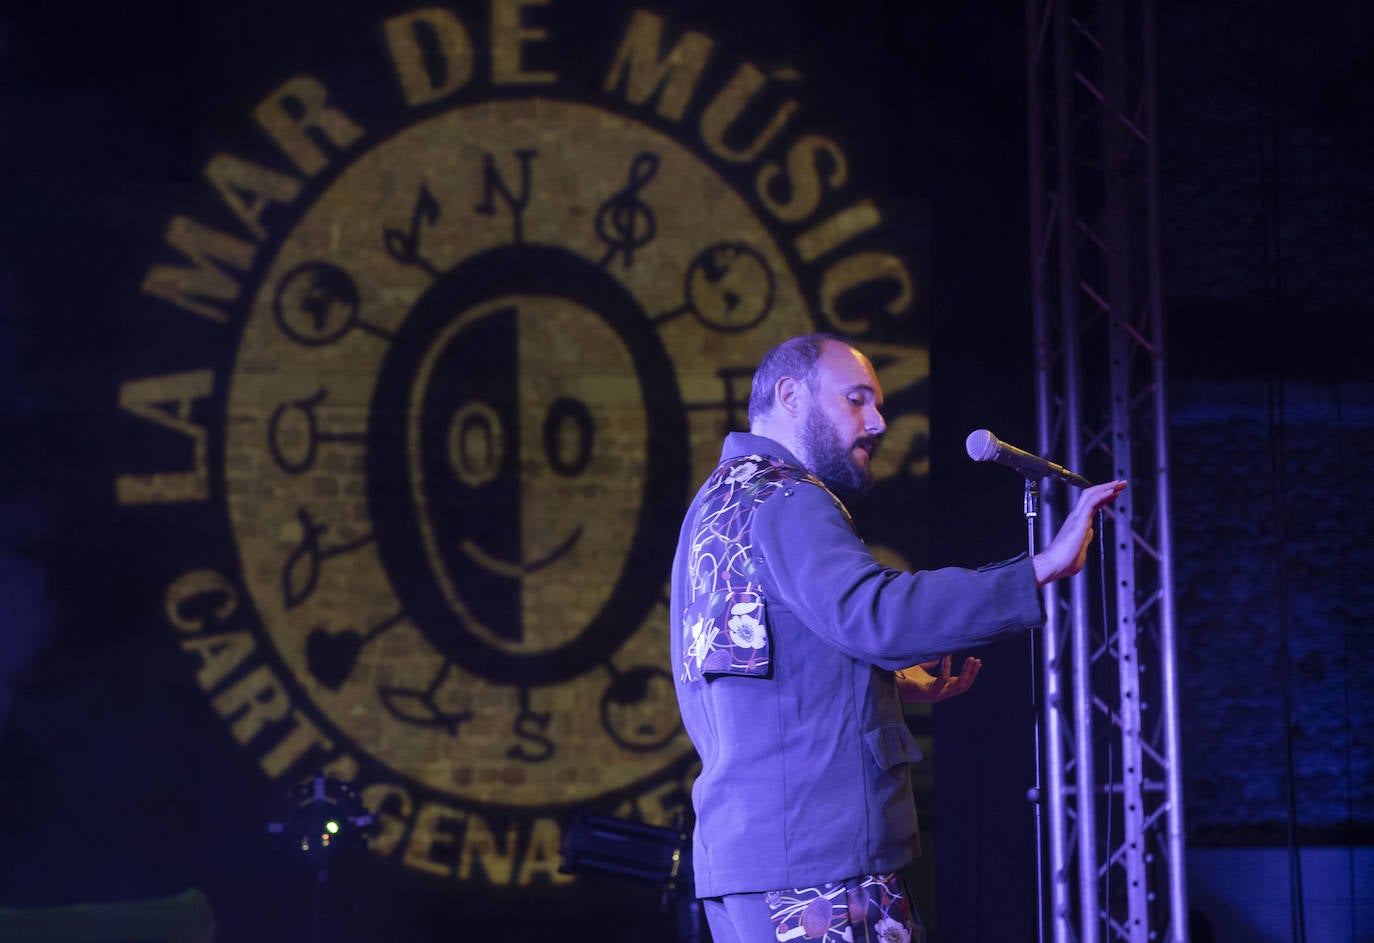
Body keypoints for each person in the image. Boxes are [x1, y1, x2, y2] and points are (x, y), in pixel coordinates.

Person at [669, 333, 1126, 943]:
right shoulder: (788, 497)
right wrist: (1038, 568)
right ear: (790, 396)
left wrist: (880, 682)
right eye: (856, 399)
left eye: (877, 404)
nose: (878, 422)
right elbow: (876, 614)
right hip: (821, 866)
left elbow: (754, 658)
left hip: (750, 862)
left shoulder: (718, 504)